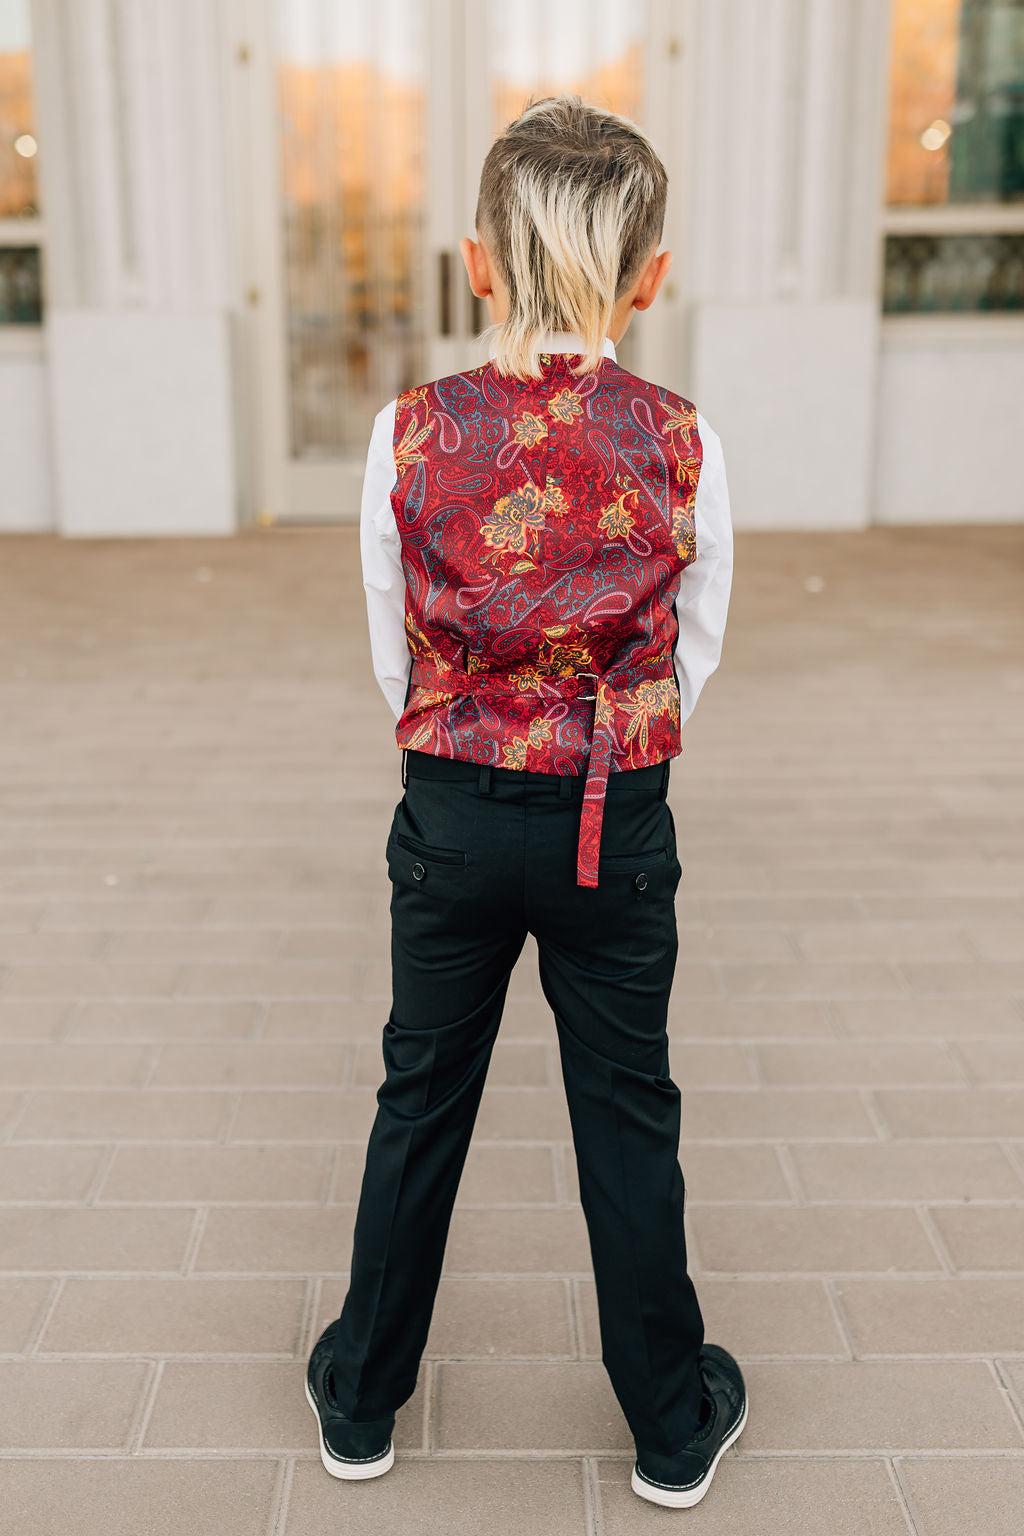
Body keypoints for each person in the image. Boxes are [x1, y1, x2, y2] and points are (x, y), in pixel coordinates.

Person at [305, 92, 744, 1510]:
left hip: (452, 804)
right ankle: (672, 1424)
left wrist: (463, 734)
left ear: (477, 261)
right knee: (628, 1107)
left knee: (420, 1095)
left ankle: (364, 1398)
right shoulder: (683, 438)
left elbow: (395, 644)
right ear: (650, 276)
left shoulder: (408, 432)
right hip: (617, 811)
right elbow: (699, 641)